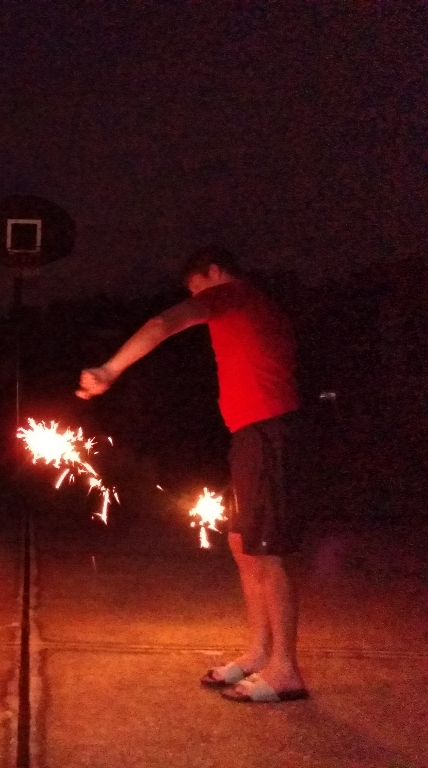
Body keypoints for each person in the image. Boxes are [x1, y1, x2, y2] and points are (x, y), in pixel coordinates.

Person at [77, 245, 308, 704]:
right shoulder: (248, 305)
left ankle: (286, 669)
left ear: (215, 273)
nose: (197, 298)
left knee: (266, 552)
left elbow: (163, 323)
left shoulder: (235, 294)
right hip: (251, 434)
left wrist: (109, 369)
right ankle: (259, 652)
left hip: (268, 430)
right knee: (242, 544)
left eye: (197, 287)